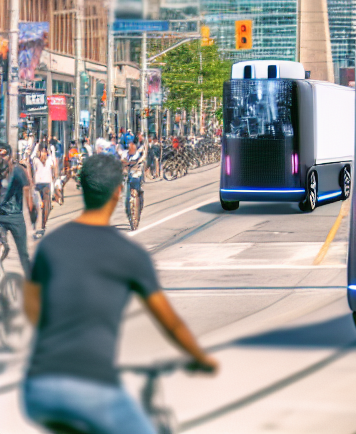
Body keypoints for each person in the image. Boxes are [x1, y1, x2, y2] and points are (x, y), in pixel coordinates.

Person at [21, 153, 217, 434]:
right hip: (91, 388)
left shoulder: (50, 245)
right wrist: (201, 358)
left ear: (81, 188)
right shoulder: (130, 255)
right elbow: (170, 323)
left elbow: (32, 308)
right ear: (118, 192)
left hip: (38, 390)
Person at [0, 142, 31, 276]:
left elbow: (27, 189)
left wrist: (32, 209)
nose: (1, 158)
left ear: (9, 155)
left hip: (16, 217)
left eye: (3, 154)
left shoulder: (18, 170)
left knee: (23, 254)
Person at [31, 143, 56, 239]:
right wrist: (37, 145)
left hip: (46, 185)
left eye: (45, 151)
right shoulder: (36, 161)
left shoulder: (48, 161)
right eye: (42, 151)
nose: (44, 153)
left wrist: (52, 151)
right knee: (37, 207)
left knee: (46, 207)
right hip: (38, 185)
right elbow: (32, 157)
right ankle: (37, 227)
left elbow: (54, 162)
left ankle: (42, 226)